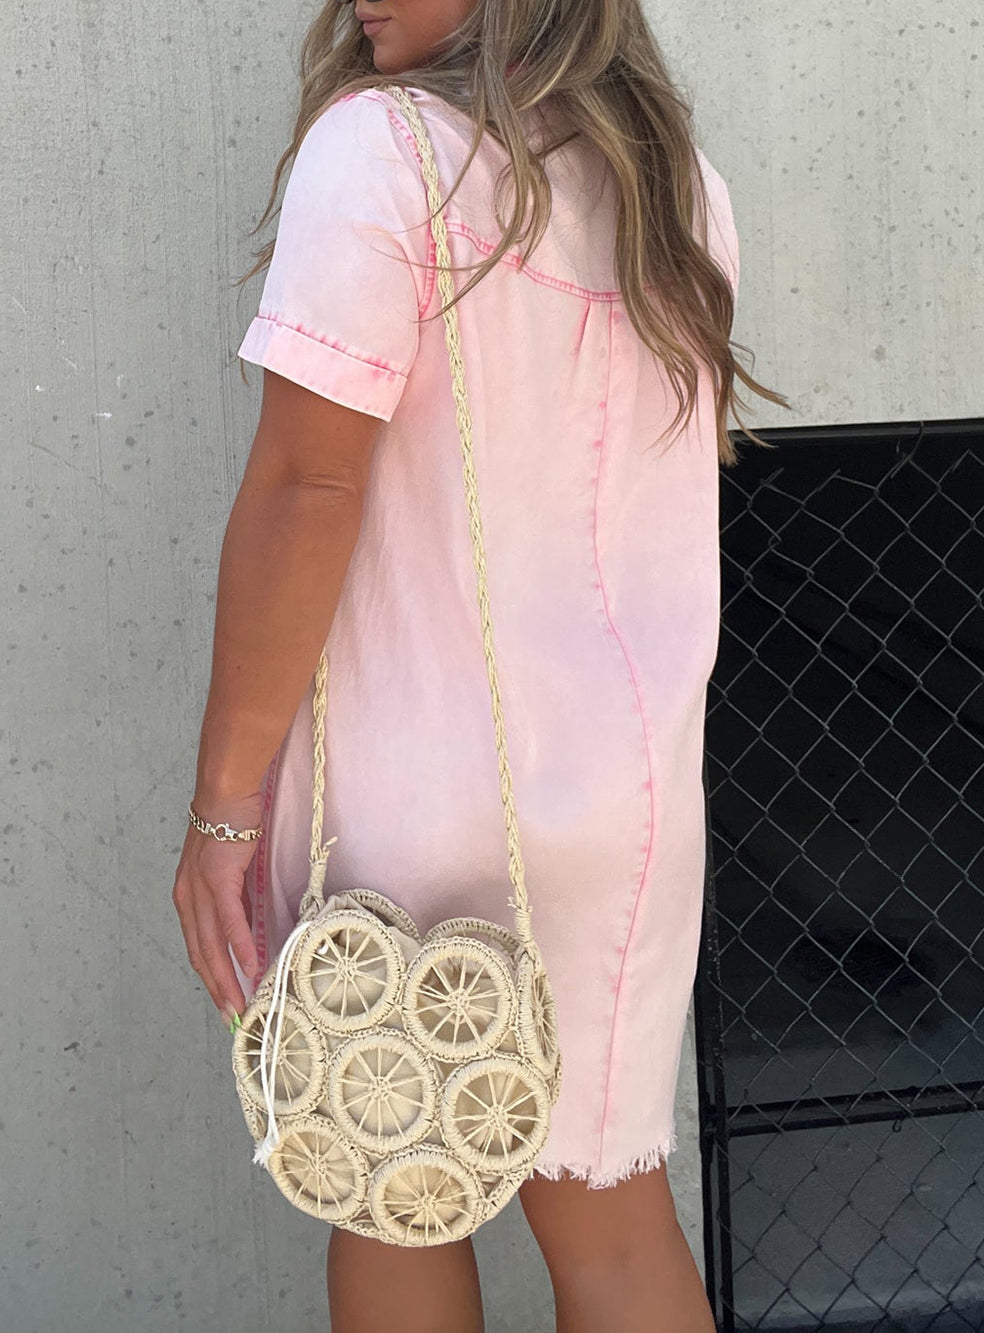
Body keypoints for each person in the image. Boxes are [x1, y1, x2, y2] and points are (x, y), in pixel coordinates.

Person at [171, 1, 788, 1329]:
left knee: (394, 1188)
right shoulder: (678, 190)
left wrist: (223, 806)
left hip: (411, 794)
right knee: (615, 1220)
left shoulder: (380, 151)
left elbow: (305, 487)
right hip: (621, 809)